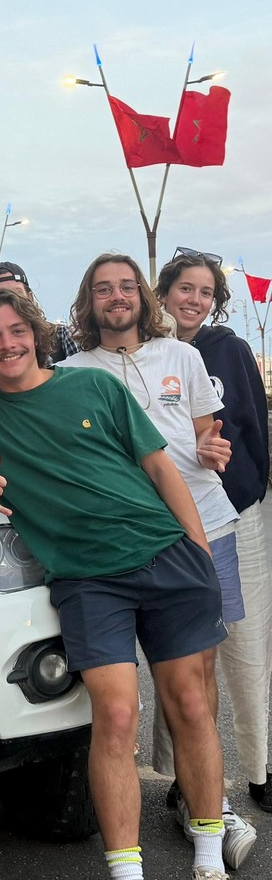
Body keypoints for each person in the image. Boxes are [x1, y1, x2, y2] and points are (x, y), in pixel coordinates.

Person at [0, 286, 231, 880]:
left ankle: (209, 862)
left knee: (191, 705)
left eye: (15, 331)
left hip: (168, 557)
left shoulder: (96, 387)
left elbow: (159, 467)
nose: (7, 345)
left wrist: (200, 552)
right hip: (87, 581)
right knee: (115, 715)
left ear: (36, 333)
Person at [59, 253, 254, 868]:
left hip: (205, 522)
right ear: (88, 302)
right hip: (124, 538)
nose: (117, 296)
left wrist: (212, 447)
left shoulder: (183, 357)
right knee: (138, 691)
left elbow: (205, 432)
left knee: (199, 675)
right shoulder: (68, 372)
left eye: (126, 287)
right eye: (103, 289)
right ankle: (187, 798)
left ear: (144, 297)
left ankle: (205, 801)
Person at [157, 249, 272, 814]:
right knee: (179, 654)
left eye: (205, 292)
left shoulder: (229, 349)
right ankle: (183, 774)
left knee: (246, 647)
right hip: (166, 520)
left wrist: (247, 491)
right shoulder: (145, 352)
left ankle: (259, 767)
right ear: (163, 292)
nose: (194, 300)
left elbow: (253, 428)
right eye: (186, 288)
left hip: (235, 513)